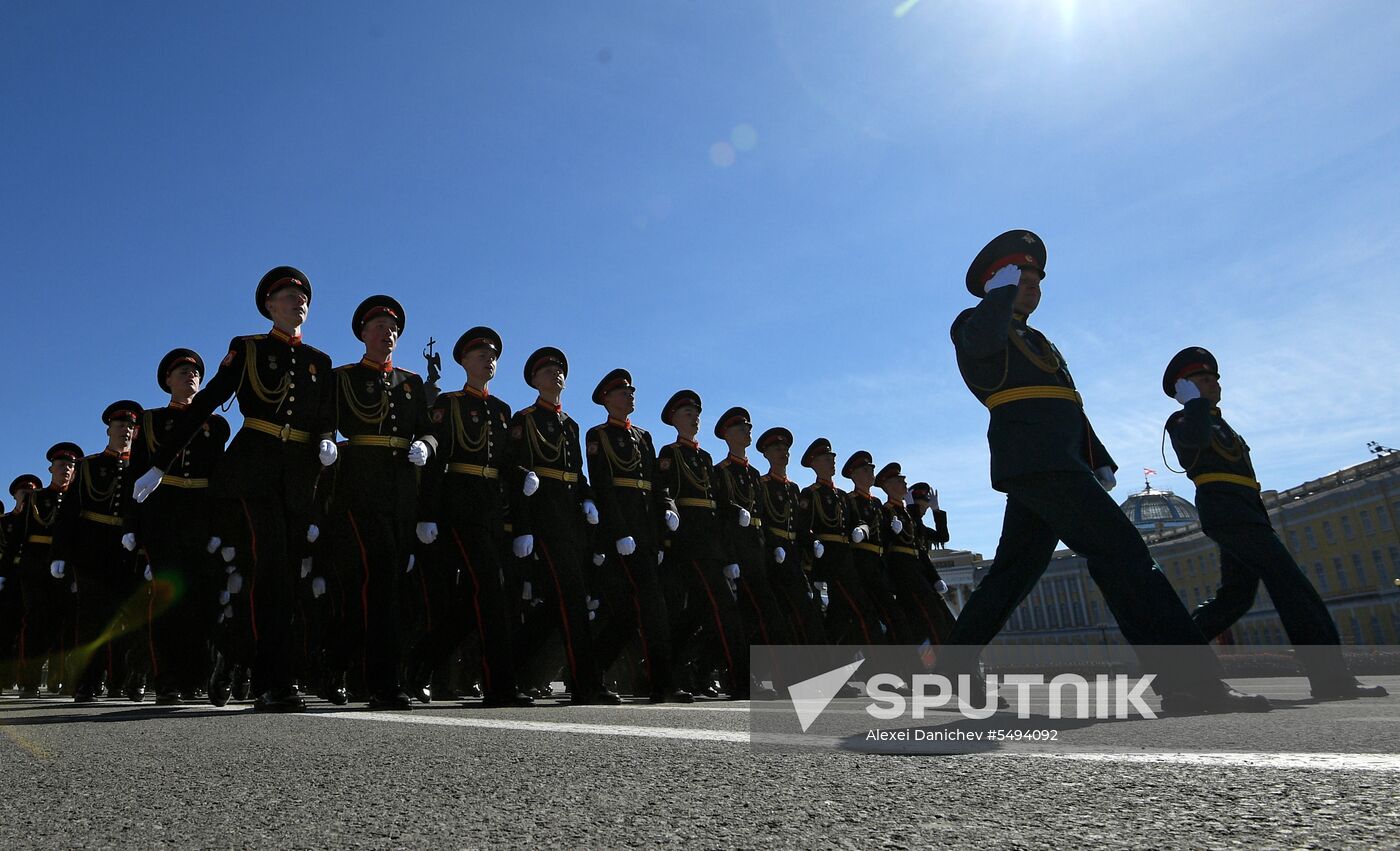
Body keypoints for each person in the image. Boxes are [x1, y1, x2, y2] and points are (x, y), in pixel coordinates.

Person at [944, 229, 1267, 714]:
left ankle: (952, 663)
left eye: (1036, 282)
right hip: (1039, 461)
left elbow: (1066, 402)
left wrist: (1097, 456)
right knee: (1123, 553)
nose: (1032, 289)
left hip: (1054, 462)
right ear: (997, 282)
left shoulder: (1038, 340)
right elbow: (983, 349)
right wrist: (998, 297)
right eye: (1021, 279)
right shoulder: (975, 323)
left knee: (1012, 574)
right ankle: (1189, 683)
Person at [134, 266, 337, 712]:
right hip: (254, 472)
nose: (299, 302)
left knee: (286, 576)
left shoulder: (319, 362)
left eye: (303, 297)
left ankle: (238, 657)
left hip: (297, 477)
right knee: (271, 569)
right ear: (269, 305)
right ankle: (272, 681)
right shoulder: (247, 349)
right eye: (288, 296)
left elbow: (325, 413)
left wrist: (326, 437)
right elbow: (204, 403)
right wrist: (160, 463)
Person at [1164, 346, 1386, 700]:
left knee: (1236, 599)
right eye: (1203, 380)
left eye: (1215, 379)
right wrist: (1193, 405)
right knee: (1292, 586)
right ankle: (1331, 678)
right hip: (1226, 511)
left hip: (1247, 511)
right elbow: (1195, 442)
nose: (1214, 384)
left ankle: (1173, 659)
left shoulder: (1220, 423)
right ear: (1185, 387)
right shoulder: (1183, 421)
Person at [411, 326, 534, 707]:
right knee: (491, 590)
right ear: (464, 361)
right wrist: (427, 514)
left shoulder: (501, 410)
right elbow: (438, 459)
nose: (489, 360)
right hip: (460, 506)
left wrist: (521, 476)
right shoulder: (449, 403)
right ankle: (500, 684)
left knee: (472, 603)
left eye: (493, 355)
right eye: (481, 355)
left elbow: (505, 460)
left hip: (491, 508)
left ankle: (418, 664)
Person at [320, 295, 430, 709]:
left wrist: (427, 445)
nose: (389, 333)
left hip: (400, 491)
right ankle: (383, 683)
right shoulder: (344, 377)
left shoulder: (411, 383)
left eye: (394, 329)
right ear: (363, 334)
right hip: (359, 488)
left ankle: (336, 663)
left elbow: (427, 429)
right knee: (381, 578)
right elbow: (325, 419)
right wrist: (327, 440)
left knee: (378, 588)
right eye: (380, 327)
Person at [508, 347, 620, 705]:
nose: (556, 374)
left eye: (559, 370)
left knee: (556, 607)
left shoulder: (571, 424)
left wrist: (587, 499)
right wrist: (524, 526)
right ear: (534, 380)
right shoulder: (524, 419)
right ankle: (587, 683)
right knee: (571, 599)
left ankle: (508, 669)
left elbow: (577, 473)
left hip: (571, 521)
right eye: (547, 370)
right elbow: (514, 470)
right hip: (544, 519)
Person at [128, 348, 231, 705]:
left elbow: (219, 477)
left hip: (200, 513)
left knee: (202, 598)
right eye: (182, 372)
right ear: (167, 381)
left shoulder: (217, 425)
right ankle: (166, 678)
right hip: (164, 513)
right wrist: (132, 525)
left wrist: (220, 527)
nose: (191, 376)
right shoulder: (150, 421)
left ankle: (195, 677)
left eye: (196, 373)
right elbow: (136, 473)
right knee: (167, 600)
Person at [585, 369, 690, 702]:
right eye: (623, 392)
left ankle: (600, 673)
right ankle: (655, 682)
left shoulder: (644, 437)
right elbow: (603, 486)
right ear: (607, 399)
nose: (630, 395)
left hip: (645, 535)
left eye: (631, 391)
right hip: (621, 538)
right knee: (639, 610)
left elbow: (657, 486)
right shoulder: (598, 435)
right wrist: (619, 532)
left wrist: (666, 515)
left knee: (639, 612)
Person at [656, 391, 751, 698]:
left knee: (696, 615)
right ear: (674, 419)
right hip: (690, 541)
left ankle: (667, 671)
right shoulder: (670, 453)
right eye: (688, 413)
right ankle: (741, 680)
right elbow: (665, 490)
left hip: (711, 544)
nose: (695, 417)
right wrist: (669, 513)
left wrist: (734, 513)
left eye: (696, 413)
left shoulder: (705, 458)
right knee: (724, 609)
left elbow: (718, 502)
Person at [52, 401, 144, 702]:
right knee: (93, 618)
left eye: (130, 426)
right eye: (120, 425)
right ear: (108, 430)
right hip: (91, 548)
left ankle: (124, 678)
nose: (126, 430)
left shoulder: (141, 466)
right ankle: (88, 681)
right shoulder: (88, 466)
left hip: (127, 549)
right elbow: (70, 512)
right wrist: (60, 552)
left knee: (129, 617)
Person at [799, 438, 884, 646]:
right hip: (828, 560)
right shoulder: (810, 493)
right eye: (827, 458)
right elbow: (803, 526)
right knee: (860, 609)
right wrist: (813, 547)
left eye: (832, 458)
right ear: (814, 463)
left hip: (846, 559)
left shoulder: (843, 496)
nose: (832, 461)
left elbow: (859, 521)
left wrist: (861, 530)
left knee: (840, 615)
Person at [755, 427, 827, 645]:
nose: (783, 452)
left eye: (785, 449)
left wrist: (813, 542)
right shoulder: (762, 484)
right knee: (784, 612)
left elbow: (800, 525)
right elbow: (762, 519)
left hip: (793, 555)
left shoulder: (794, 489)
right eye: (777, 448)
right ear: (766, 454)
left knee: (805, 610)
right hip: (773, 557)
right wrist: (774, 544)